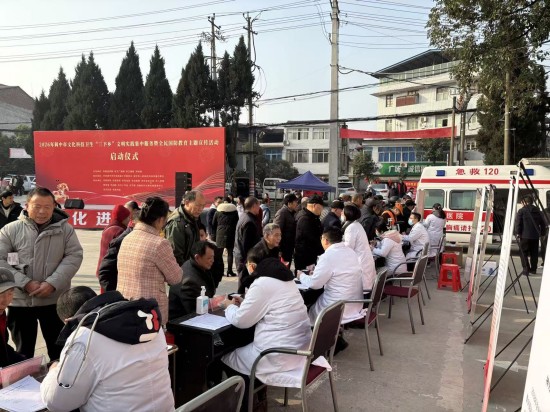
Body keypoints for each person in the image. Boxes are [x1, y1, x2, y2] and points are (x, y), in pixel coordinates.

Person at [41, 287, 174, 412]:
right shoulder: (147, 321)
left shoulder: (84, 338)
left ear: (68, 321)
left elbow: (56, 402)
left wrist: (53, 371)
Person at [0, 187, 83, 361]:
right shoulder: (10, 230)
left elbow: (74, 256)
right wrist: (25, 283)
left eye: (47, 207)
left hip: (54, 300)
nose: (42, 211)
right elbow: (1, 260)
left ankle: (57, 377)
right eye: (37, 206)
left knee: (59, 350)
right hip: (20, 301)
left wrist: (52, 283)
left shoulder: (65, 230)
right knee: (23, 353)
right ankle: (24, 378)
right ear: (27, 205)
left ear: (54, 207)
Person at [220, 258, 311, 411]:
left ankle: (248, 404)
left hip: (275, 354)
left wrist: (229, 306)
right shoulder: (288, 282)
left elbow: (240, 321)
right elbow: (273, 307)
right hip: (298, 352)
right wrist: (246, 303)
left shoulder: (262, 283)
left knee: (226, 357)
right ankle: (259, 397)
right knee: (243, 349)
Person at [117, 196, 183, 325]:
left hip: (125, 306)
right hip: (149, 313)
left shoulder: (128, 238)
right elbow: (176, 278)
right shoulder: (160, 244)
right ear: (160, 220)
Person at [298, 228, 363, 325]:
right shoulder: (351, 252)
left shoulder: (327, 256)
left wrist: (301, 276)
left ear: (325, 240)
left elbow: (315, 284)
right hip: (355, 304)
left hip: (336, 307)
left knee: (307, 307)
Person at [169, 240, 217, 319]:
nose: (212, 260)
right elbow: (194, 311)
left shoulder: (198, 265)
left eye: (213, 257)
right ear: (197, 257)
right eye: (209, 258)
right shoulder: (189, 281)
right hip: (182, 320)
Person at [164, 190, 205, 266]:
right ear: (186, 203)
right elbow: (176, 255)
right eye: (198, 205)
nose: (201, 209)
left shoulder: (192, 217)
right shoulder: (176, 223)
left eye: (203, 206)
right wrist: (186, 270)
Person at [342, 205, 376, 292]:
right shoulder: (357, 225)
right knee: (367, 284)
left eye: (343, 212)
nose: (341, 214)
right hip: (364, 259)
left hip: (361, 261)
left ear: (347, 214)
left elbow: (349, 246)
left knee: (363, 287)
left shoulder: (351, 227)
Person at [95, 205, 130, 283]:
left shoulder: (108, 228)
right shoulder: (120, 231)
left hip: (103, 268)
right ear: (122, 218)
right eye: (127, 217)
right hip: (111, 270)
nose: (129, 220)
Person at [234, 196, 261, 291]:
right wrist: (251, 259)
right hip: (245, 258)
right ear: (254, 206)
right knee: (244, 283)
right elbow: (246, 244)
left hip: (241, 256)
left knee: (243, 282)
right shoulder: (249, 222)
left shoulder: (244, 216)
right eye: (258, 206)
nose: (259, 208)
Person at [515, 195, 545, 274]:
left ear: (525, 202)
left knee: (523, 252)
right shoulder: (538, 211)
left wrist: (517, 233)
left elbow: (518, 223)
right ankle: (533, 269)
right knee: (534, 253)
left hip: (524, 236)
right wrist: (542, 233)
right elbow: (543, 223)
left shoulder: (521, 211)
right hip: (535, 236)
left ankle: (526, 269)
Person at [0, 269, 24, 367]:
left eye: (10, 293)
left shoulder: (2, 314)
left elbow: (3, 349)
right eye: (0, 294)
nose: (5, 300)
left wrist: (27, 363)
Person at [294, 194, 325, 271]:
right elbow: (312, 239)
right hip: (305, 258)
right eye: (321, 208)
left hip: (310, 256)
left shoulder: (312, 216)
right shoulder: (305, 219)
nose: (321, 211)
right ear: (315, 205)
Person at [212, 197, 239, 277]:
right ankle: (229, 271)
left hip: (220, 234)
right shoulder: (234, 212)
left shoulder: (218, 211)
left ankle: (220, 271)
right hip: (231, 233)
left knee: (219, 254)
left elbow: (213, 223)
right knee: (230, 253)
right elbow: (237, 223)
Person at [274, 193, 298, 267]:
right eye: (295, 202)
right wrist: (278, 248)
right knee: (282, 269)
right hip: (283, 248)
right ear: (289, 203)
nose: (296, 204)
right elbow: (276, 231)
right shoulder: (282, 213)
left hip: (289, 246)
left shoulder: (291, 213)